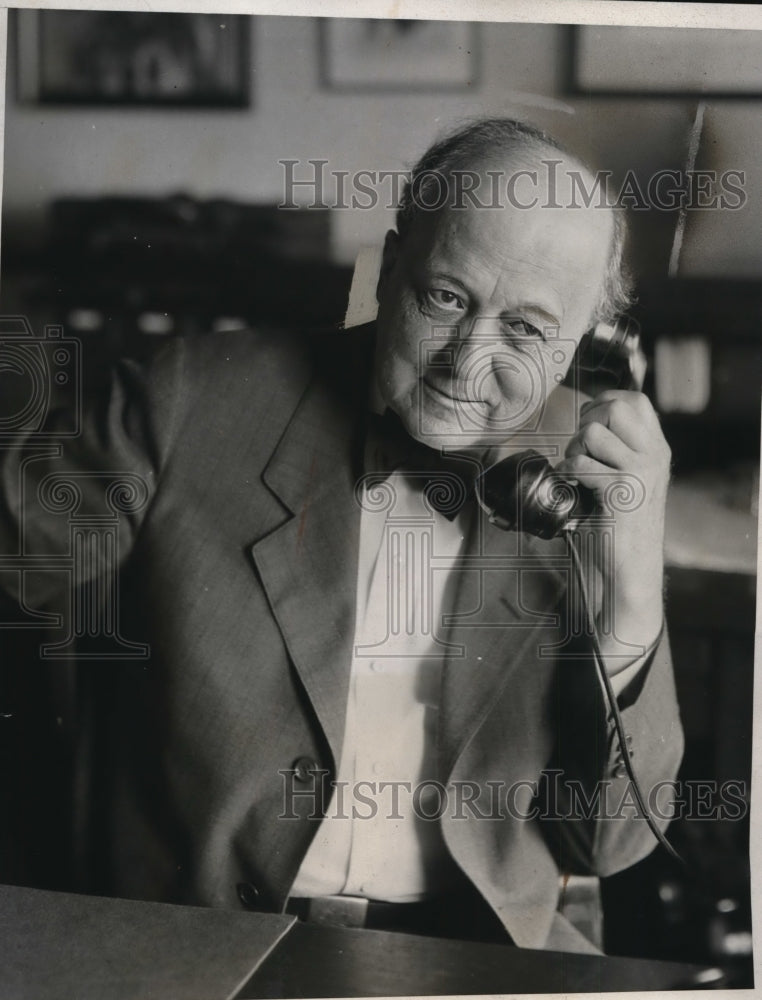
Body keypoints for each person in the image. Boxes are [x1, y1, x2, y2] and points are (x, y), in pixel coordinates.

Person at [0, 117, 682, 954]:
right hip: (194, 939)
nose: (467, 362)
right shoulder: (188, 401)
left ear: (582, 342)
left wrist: (636, 588)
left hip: (474, 952)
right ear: (391, 267)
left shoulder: (586, 479)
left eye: (527, 329)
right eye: (446, 297)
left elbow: (608, 843)